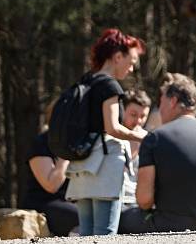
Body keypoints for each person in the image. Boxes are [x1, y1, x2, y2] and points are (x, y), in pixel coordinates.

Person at [119, 73, 196, 233]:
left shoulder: (155, 138)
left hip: (168, 226)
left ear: (173, 101)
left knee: (120, 217)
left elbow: (144, 201)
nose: (159, 109)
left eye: (161, 102)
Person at [65, 29, 148, 236]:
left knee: (86, 233)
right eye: (131, 61)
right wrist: (145, 136)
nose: (131, 68)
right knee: (105, 233)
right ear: (118, 56)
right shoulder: (110, 85)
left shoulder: (86, 80)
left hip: (81, 164)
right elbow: (113, 127)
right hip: (104, 166)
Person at [20, 99, 79, 236]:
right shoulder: (41, 143)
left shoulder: (80, 144)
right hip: (44, 203)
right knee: (85, 218)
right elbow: (51, 186)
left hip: (72, 201)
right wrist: (65, 156)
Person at [119, 90, 152, 212]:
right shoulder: (113, 138)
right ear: (123, 111)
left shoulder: (150, 140)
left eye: (143, 116)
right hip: (116, 199)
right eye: (133, 115)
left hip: (138, 203)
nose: (138, 121)